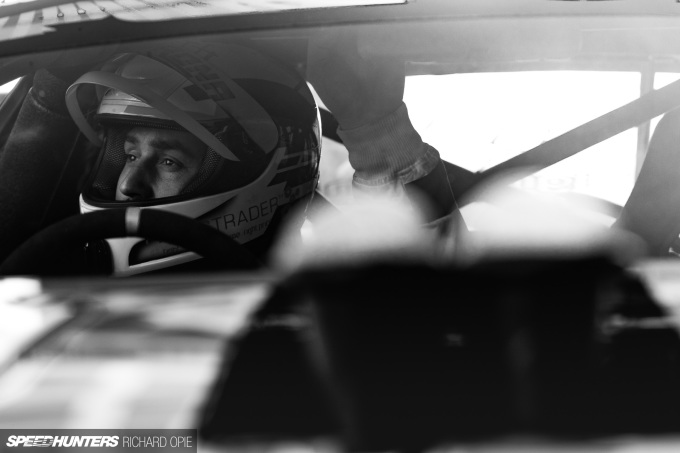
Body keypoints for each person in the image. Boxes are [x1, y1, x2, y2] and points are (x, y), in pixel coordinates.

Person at [0, 41, 323, 276]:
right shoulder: (71, 289)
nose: (128, 185)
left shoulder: (318, 306)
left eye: (169, 161)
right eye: (130, 155)